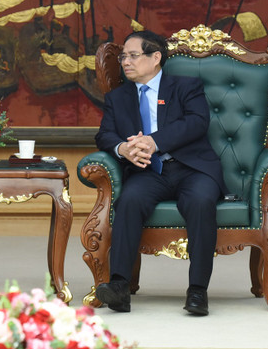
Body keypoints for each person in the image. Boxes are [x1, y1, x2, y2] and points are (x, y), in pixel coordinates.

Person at [94, 30, 226, 316]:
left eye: (132, 55)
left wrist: (154, 141)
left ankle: (198, 291)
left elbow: (196, 122)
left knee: (201, 202)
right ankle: (119, 286)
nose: (125, 62)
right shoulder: (118, 98)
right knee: (129, 201)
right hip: (148, 172)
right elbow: (104, 135)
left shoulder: (185, 87)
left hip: (193, 169)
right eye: (123, 57)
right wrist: (122, 149)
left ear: (155, 58)